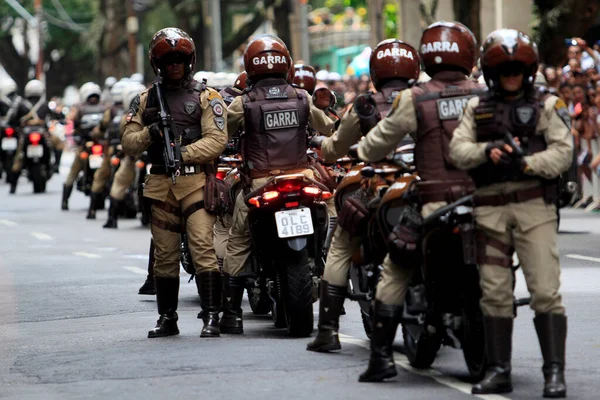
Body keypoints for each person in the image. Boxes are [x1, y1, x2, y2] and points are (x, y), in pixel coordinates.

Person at [355, 21, 484, 382]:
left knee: (396, 267)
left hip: (433, 202)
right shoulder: (484, 93)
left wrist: (362, 148)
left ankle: (381, 357)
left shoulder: (417, 98)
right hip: (482, 200)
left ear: (425, 57)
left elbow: (378, 142)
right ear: (470, 55)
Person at [449, 29, 572, 398]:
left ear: (528, 69)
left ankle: (554, 374)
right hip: (489, 211)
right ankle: (499, 370)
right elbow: (458, 151)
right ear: (491, 73)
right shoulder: (476, 108)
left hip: (534, 208)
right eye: (504, 70)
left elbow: (563, 153)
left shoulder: (549, 106)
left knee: (545, 292)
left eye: (517, 68)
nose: (511, 75)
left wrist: (526, 163)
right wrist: (488, 152)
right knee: (494, 294)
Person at [306, 38, 421, 353]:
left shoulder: (366, 104)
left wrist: (320, 144)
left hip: (379, 183)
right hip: (421, 183)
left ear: (375, 70)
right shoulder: (426, 97)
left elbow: (334, 148)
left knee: (341, 243)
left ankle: (328, 331)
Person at [220, 34, 337, 334]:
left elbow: (219, 138)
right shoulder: (302, 97)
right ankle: (325, 266)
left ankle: (232, 314)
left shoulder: (242, 102)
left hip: (261, 181)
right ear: (286, 64)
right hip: (302, 178)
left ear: (251, 66)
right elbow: (326, 126)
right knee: (328, 214)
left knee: (238, 239)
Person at [121, 27, 228, 338]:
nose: (174, 65)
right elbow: (128, 143)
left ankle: (211, 316)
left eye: (179, 59)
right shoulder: (144, 101)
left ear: (189, 60)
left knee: (202, 249)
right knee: (165, 256)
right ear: (158, 64)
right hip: (161, 185)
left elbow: (217, 140)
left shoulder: (207, 97)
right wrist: (150, 133)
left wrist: (182, 153)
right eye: (168, 60)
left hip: (195, 182)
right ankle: (168, 318)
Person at [103, 82, 148, 229]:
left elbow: (125, 138)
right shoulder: (155, 111)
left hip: (139, 156)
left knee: (120, 182)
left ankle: (112, 218)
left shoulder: (126, 117)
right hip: (145, 156)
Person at [8, 79, 63, 193]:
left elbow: (13, 119)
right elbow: (57, 116)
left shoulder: (21, 104)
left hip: (29, 136)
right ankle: (56, 165)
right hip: (42, 134)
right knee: (58, 143)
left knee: (18, 158)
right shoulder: (45, 104)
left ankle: (13, 186)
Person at [86, 80, 128, 219]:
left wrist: (94, 135)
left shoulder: (111, 111)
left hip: (118, 149)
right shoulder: (133, 109)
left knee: (101, 176)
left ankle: (94, 211)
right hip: (126, 150)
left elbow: (102, 127)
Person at [61, 82, 105, 210]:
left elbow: (75, 128)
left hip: (88, 146)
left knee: (74, 171)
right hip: (98, 146)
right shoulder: (105, 108)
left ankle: (64, 201)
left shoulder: (80, 109)